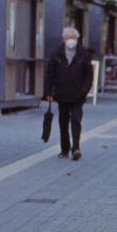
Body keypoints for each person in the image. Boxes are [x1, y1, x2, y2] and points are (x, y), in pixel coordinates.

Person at [44, 26, 95, 160]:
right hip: (62, 93)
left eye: (73, 38)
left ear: (77, 39)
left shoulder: (84, 54)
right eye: (68, 38)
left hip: (78, 94)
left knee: (76, 120)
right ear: (63, 39)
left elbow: (89, 75)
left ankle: (76, 147)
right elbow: (50, 73)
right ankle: (64, 149)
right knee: (63, 121)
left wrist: (85, 90)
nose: (70, 40)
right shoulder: (56, 53)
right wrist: (48, 91)